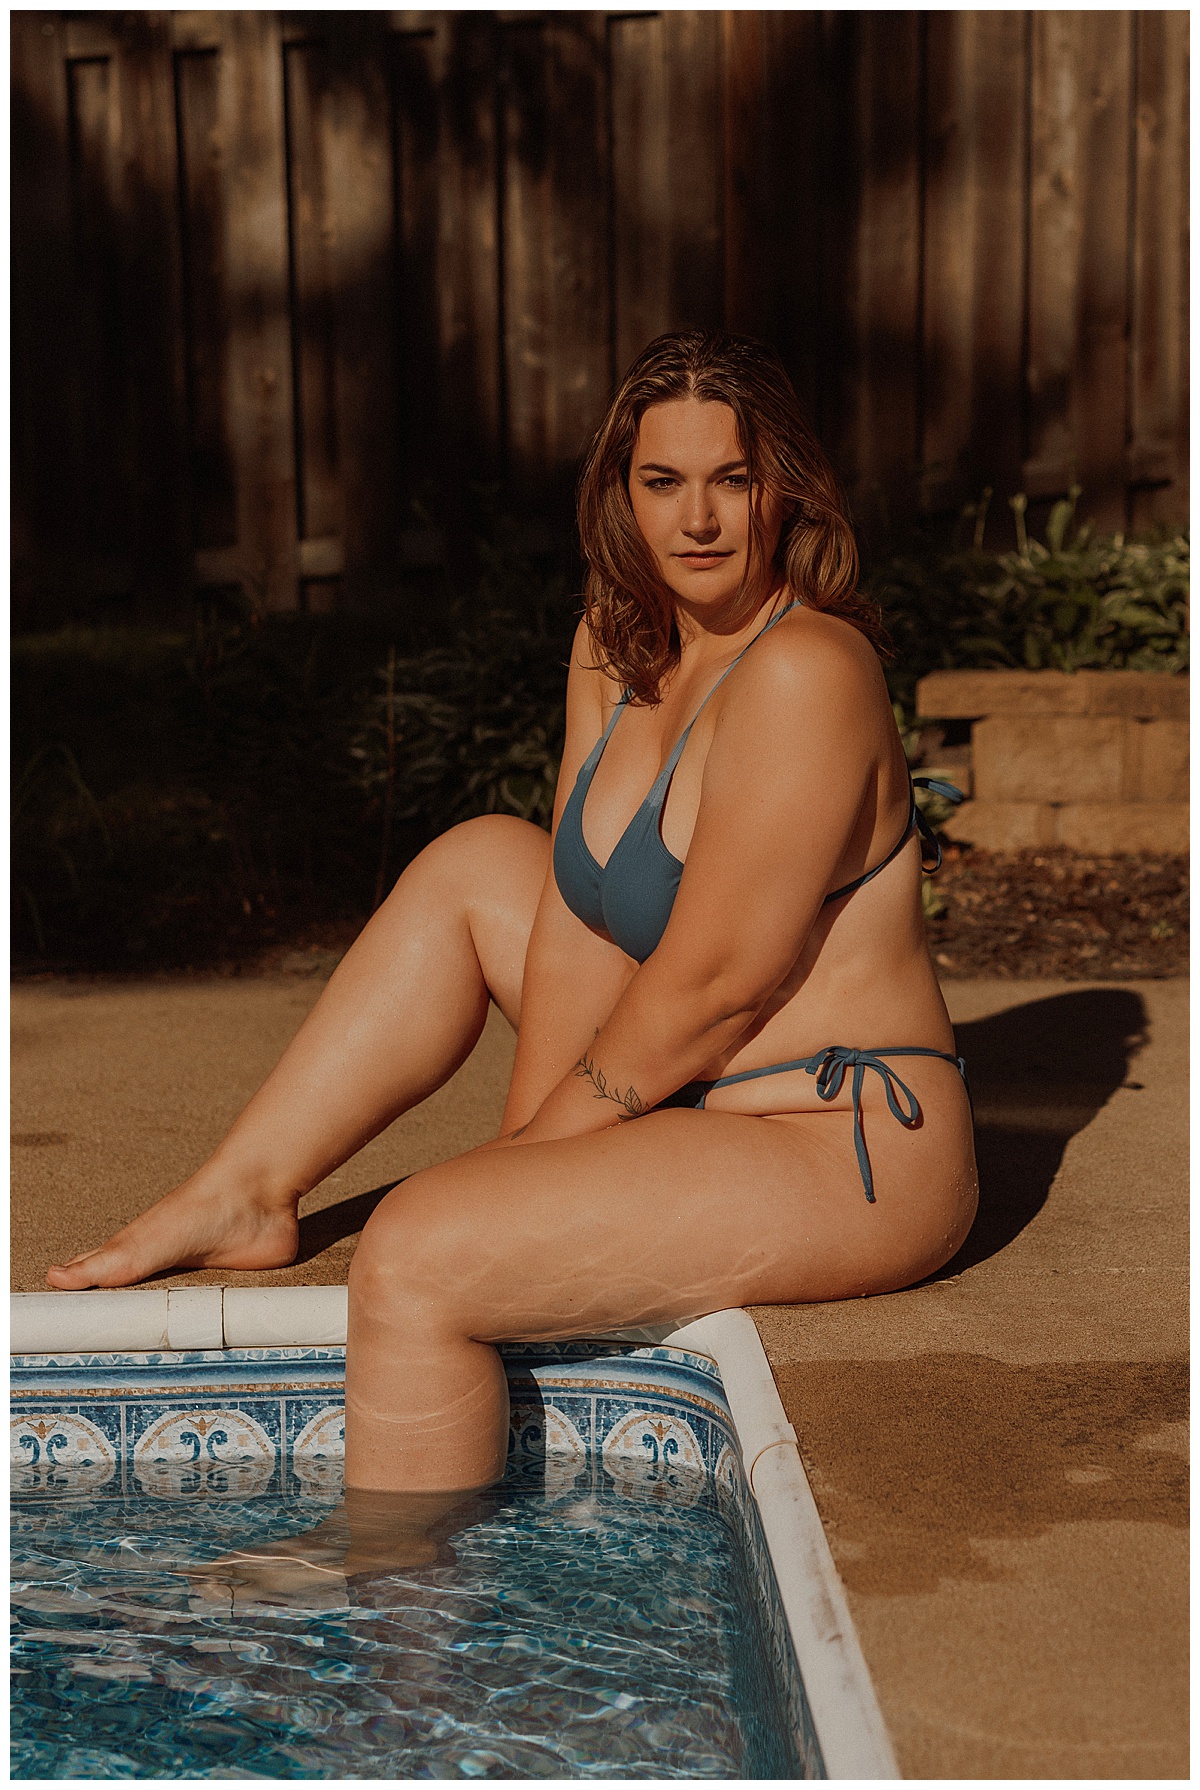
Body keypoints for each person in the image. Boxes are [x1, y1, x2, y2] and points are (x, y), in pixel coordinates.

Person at [48, 331, 977, 1558]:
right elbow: (585, 919)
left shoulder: (810, 667)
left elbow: (711, 985)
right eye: (663, 481)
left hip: (835, 1140)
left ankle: (392, 1586)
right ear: (620, 492)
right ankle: (245, 1191)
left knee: (421, 1251)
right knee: (480, 859)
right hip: (696, 1088)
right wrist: (523, 1165)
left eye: (733, 480)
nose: (697, 519)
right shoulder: (617, 636)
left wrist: (505, 1186)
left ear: (785, 487)